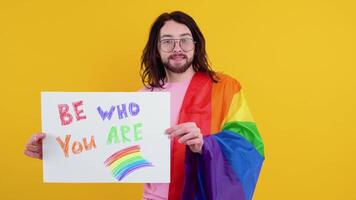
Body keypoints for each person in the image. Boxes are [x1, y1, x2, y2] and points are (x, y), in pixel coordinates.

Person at [24, 11, 265, 200]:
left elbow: (250, 146)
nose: (177, 48)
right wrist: (58, 153)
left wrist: (205, 144)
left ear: (196, 45)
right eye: (167, 41)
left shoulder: (224, 88)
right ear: (157, 49)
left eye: (184, 40)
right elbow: (105, 148)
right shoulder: (141, 100)